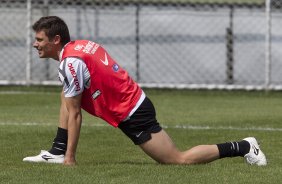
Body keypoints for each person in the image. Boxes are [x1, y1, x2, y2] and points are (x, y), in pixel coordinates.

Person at [23, 16, 267, 166]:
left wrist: (71, 158)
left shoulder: (71, 61)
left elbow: (75, 114)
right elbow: (74, 97)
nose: (36, 44)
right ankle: (56, 150)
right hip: (132, 102)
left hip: (133, 112)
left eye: (40, 40)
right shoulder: (77, 48)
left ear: (56, 40)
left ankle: (244, 146)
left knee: (177, 160)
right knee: (67, 94)